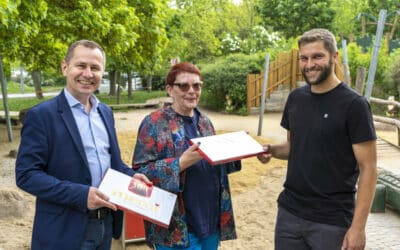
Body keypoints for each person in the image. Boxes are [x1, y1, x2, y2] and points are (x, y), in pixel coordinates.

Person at [15, 39, 150, 250]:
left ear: (102, 71)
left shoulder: (105, 112)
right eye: (81, 65)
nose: (88, 74)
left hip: (105, 224)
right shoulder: (41, 116)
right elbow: (26, 175)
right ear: (65, 67)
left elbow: (112, 164)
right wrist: (80, 195)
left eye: (95, 68)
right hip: (63, 229)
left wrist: (131, 176)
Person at [257, 28, 377, 250]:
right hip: (289, 215)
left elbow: (368, 168)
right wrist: (271, 150)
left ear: (334, 57)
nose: (309, 64)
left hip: (332, 222)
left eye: (317, 56)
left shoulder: (355, 105)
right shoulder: (295, 99)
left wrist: (358, 228)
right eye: (304, 58)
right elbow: (294, 147)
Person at [132, 62, 241, 249]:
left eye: (197, 85)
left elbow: (214, 165)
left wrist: (237, 151)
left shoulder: (206, 122)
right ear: (169, 89)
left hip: (210, 222)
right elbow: (140, 174)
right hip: (175, 229)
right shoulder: (153, 123)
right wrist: (180, 163)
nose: (192, 91)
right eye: (183, 86)